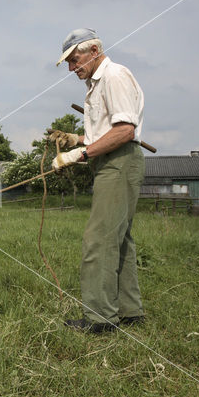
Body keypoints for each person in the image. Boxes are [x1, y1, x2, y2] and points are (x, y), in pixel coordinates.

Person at [49, 28, 145, 334]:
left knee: (98, 239)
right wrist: (75, 138)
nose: (71, 67)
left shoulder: (114, 76)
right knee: (119, 238)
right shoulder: (95, 83)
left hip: (118, 162)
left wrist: (80, 154)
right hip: (112, 161)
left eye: (74, 60)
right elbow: (105, 130)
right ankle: (129, 311)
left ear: (93, 50)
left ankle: (100, 319)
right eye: (67, 63)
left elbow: (125, 131)